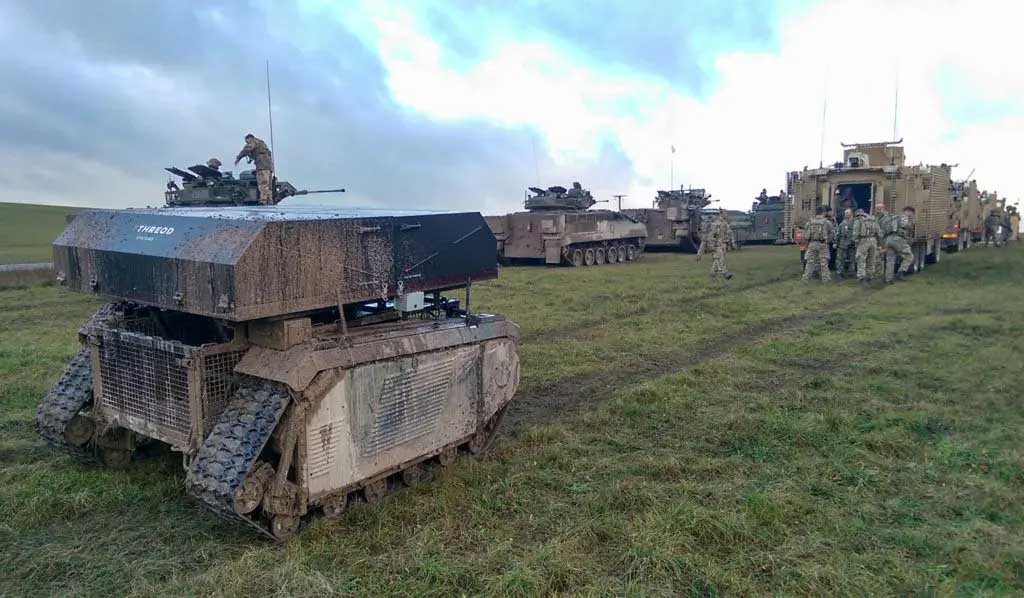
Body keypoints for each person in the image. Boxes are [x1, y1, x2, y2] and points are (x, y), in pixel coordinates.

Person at [234, 134, 274, 204]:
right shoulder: (262, 143)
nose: (247, 143)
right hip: (269, 165)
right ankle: (270, 200)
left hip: (262, 165)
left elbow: (247, 148)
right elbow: (267, 153)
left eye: (247, 141)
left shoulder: (253, 141)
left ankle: (263, 200)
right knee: (268, 185)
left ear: (249, 138)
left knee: (263, 183)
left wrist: (238, 157)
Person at [880, 203, 915, 283]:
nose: (912, 215)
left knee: (890, 259)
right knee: (909, 256)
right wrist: (910, 224)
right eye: (912, 213)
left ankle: (888, 279)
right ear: (909, 212)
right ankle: (900, 272)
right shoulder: (904, 217)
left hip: (888, 239)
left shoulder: (893, 218)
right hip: (898, 239)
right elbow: (904, 225)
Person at [801, 205, 834, 282]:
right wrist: (827, 240)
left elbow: (805, 234)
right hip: (823, 244)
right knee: (823, 262)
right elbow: (832, 233)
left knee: (809, 262)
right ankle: (826, 279)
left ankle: (805, 278)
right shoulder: (827, 222)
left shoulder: (810, 222)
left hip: (812, 243)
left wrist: (807, 242)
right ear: (823, 212)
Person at [696, 213, 733, 280]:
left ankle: (713, 273)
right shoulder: (713, 226)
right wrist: (712, 246)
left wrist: (699, 254)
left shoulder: (711, 226)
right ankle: (725, 273)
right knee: (720, 259)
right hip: (715, 245)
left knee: (717, 259)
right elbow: (709, 238)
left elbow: (703, 243)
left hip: (716, 245)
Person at [852, 208, 881, 285]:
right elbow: (879, 232)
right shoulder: (873, 220)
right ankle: (870, 276)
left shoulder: (858, 221)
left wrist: (855, 241)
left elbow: (855, 233)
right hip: (873, 240)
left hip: (863, 240)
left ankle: (861, 277)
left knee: (861, 259)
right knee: (871, 259)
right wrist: (879, 243)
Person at [834, 208, 857, 280]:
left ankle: (851, 272)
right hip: (842, 244)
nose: (846, 214)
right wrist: (836, 243)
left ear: (851, 213)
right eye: (845, 213)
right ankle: (839, 273)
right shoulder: (842, 223)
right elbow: (838, 234)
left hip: (852, 244)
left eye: (847, 213)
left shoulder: (855, 223)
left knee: (852, 259)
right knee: (840, 259)